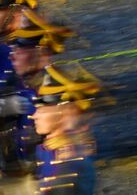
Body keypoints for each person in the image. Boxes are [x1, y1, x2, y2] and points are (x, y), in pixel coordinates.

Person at [32, 64, 103, 194]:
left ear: (66, 112)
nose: (34, 116)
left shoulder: (70, 162)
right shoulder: (50, 149)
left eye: (41, 109)